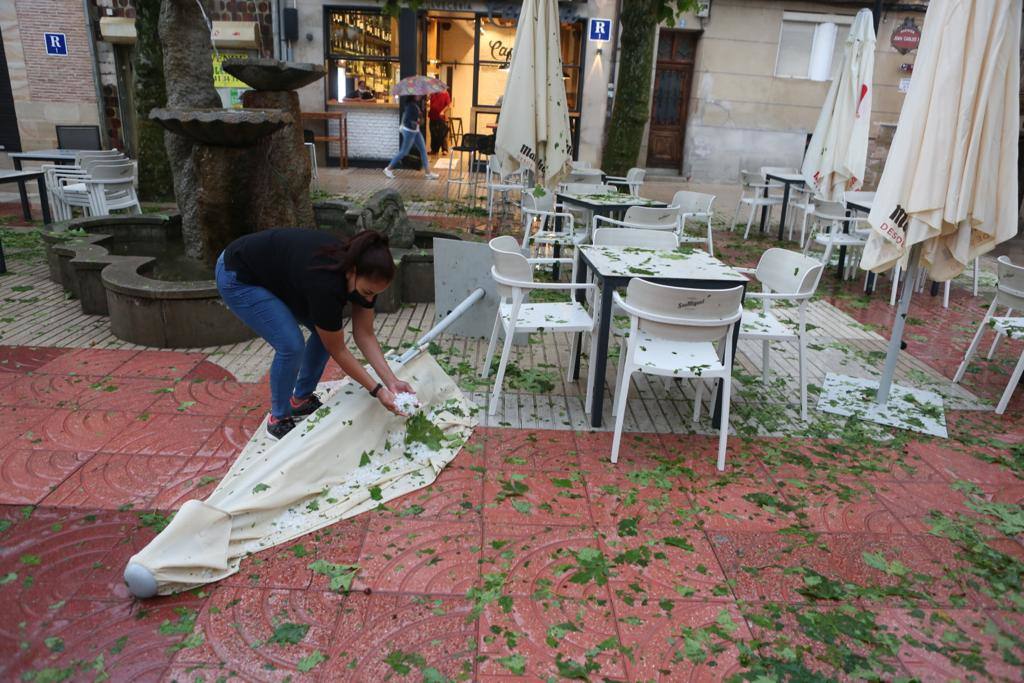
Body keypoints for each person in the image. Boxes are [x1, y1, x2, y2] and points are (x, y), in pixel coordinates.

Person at [216, 229, 415, 439]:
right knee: (291, 345)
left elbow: (365, 334)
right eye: (367, 292)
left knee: (326, 333)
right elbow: (338, 349)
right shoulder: (326, 284)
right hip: (238, 275)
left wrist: (391, 382)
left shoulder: (365, 275)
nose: (369, 300)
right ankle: (278, 419)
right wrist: (378, 391)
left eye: (376, 294)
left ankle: (300, 400)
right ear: (353, 271)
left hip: (282, 275)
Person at [383, 96, 439, 180]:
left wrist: (419, 117)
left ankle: (428, 173)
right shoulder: (410, 106)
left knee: (423, 150)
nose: (419, 96)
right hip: (409, 131)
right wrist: (418, 120)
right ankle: (388, 169)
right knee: (404, 152)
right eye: (417, 95)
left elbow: (415, 118)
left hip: (415, 131)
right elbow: (408, 121)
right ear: (413, 96)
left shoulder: (414, 104)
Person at [428, 88, 451, 155]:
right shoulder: (432, 94)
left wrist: (443, 111)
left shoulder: (445, 93)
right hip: (432, 116)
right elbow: (431, 103)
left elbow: (448, 105)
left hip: (441, 117)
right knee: (433, 133)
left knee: (442, 134)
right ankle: (434, 150)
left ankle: (444, 149)